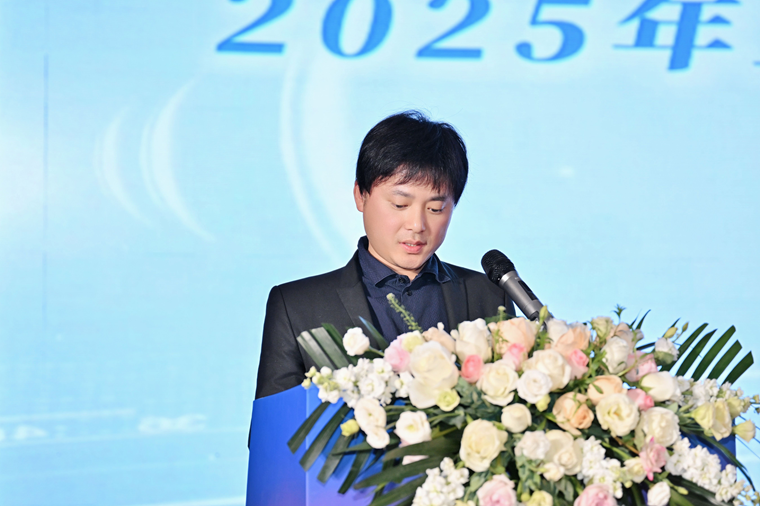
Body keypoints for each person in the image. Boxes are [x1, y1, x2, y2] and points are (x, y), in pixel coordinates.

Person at [255, 110, 514, 399]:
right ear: (360, 195)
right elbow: (274, 424)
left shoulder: (489, 297)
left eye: (435, 208)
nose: (417, 225)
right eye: (400, 204)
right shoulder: (297, 307)